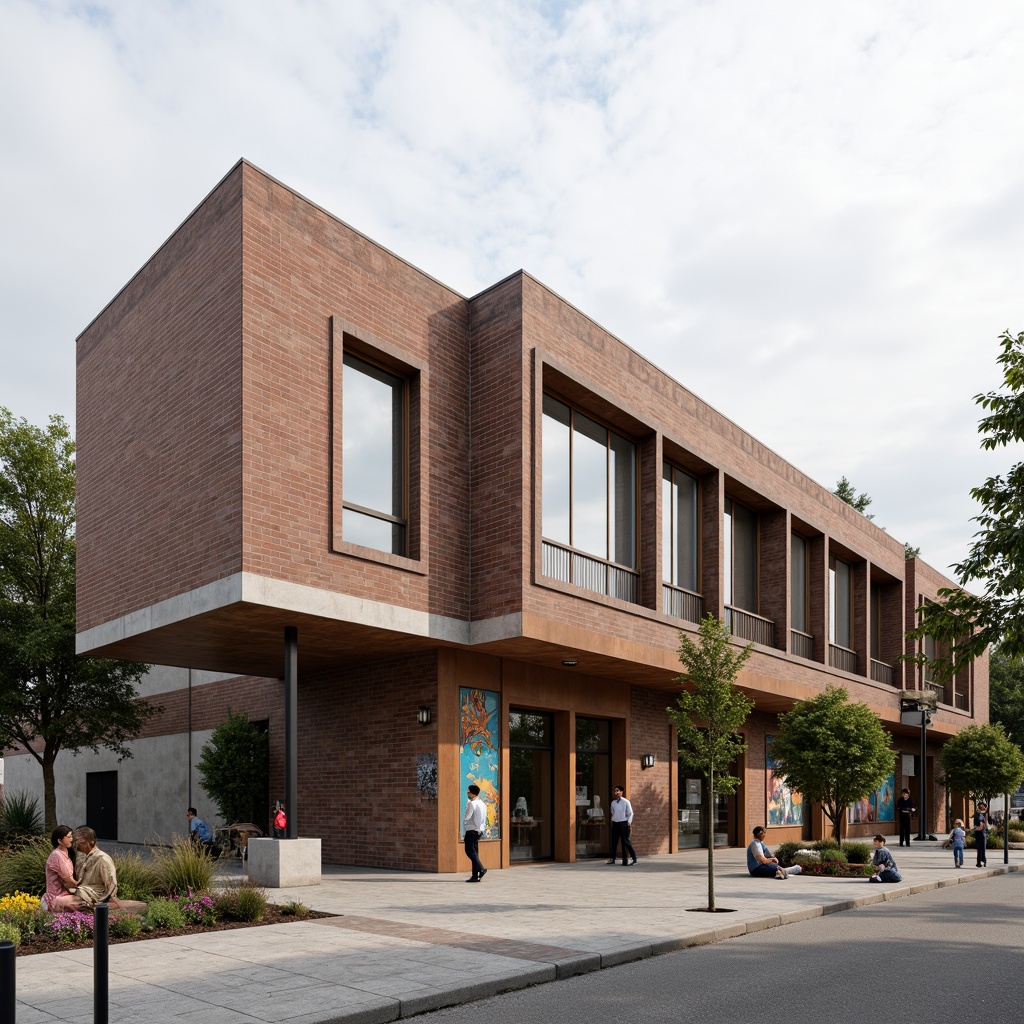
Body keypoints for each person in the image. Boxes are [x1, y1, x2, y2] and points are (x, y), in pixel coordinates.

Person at [72, 826, 120, 905]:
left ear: (91, 842)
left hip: (96, 896)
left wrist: (105, 901)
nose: (76, 844)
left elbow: (111, 883)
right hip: (83, 892)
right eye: (76, 841)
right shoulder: (82, 857)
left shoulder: (102, 858)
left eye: (80, 842)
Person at [42, 825, 80, 912]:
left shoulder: (65, 854)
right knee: (87, 901)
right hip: (56, 898)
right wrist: (84, 887)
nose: (72, 839)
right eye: (69, 837)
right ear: (60, 840)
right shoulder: (57, 855)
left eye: (71, 836)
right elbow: (68, 880)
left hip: (65, 895)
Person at [607, 785, 638, 865]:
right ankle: (612, 858)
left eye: (617, 791)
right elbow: (612, 812)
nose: (616, 792)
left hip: (624, 823)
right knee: (614, 841)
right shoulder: (613, 803)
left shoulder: (626, 802)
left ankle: (633, 858)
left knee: (625, 842)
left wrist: (629, 822)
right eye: (615, 791)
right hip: (615, 823)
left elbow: (630, 813)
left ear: (621, 792)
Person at [463, 784, 487, 882]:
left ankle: (481, 869)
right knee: (475, 853)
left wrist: (468, 806)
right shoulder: (482, 803)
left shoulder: (472, 803)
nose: (467, 794)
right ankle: (475, 875)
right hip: (479, 830)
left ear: (473, 794)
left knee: (470, 851)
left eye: (468, 792)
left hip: (472, 830)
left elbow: (467, 816)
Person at [973, 801, 989, 867]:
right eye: (983, 806)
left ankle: (980, 861)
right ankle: (982, 861)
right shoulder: (981, 814)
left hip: (979, 832)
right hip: (982, 832)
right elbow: (981, 823)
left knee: (980, 848)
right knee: (982, 848)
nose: (984, 807)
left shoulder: (977, 814)